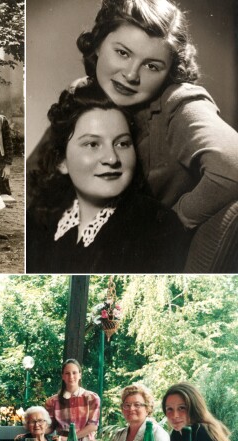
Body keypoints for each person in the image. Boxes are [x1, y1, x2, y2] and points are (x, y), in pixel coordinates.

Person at [29, 0, 238, 271]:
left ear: (169, 71)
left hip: (143, 252)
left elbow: (234, 166)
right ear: (98, 44)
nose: (130, 75)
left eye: (152, 66)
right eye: (123, 53)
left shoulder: (181, 104)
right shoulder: (86, 92)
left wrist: (176, 217)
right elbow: (38, 173)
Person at [26, 84, 188, 272]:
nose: (112, 158)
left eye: (122, 143)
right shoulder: (40, 213)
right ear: (62, 161)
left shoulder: (158, 228)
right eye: (93, 144)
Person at [162, 382, 238, 441]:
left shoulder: (202, 432)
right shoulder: (177, 434)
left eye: (182, 408)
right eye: (169, 409)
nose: (175, 415)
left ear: (194, 408)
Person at [101, 383, 169, 441]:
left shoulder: (158, 434)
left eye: (137, 405)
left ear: (147, 409)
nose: (131, 409)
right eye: (127, 405)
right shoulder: (119, 434)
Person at [44, 359, 100, 441]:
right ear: (62, 376)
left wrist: (70, 439)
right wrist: (33, 433)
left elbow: (93, 426)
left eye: (74, 372)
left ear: (80, 375)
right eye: (67, 373)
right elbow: (50, 427)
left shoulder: (92, 398)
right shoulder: (52, 401)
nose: (71, 376)